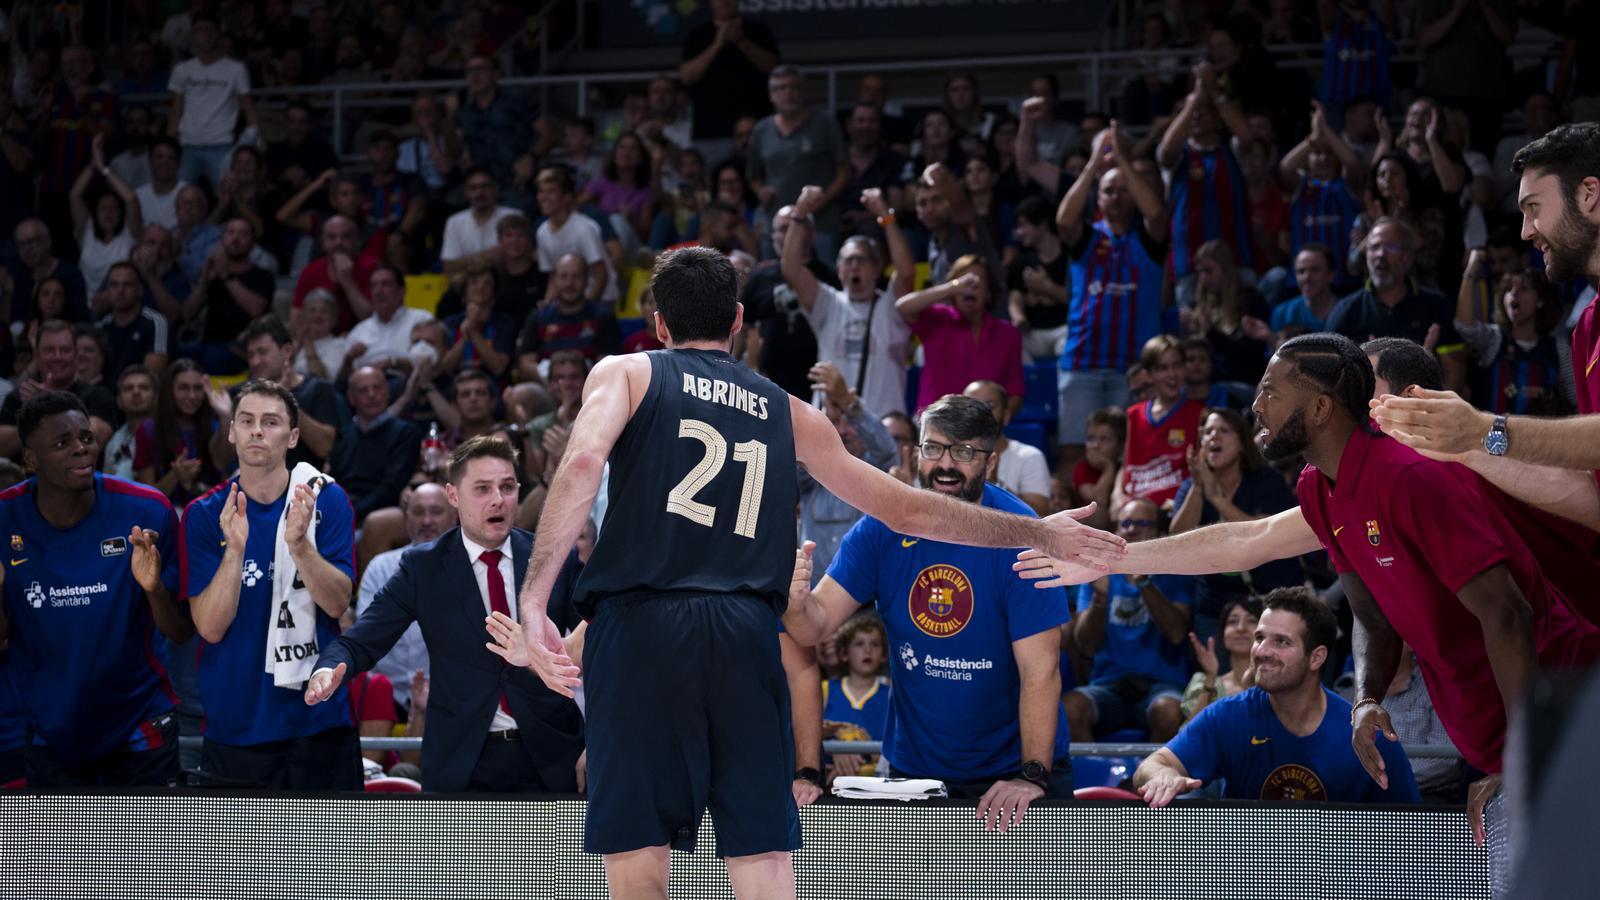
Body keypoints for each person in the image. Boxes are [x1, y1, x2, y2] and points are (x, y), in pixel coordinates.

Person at [486, 248, 1121, 898]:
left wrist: (536, 597)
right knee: (763, 865)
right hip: (743, 631)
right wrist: (1039, 529)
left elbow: (585, 460)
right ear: (737, 322)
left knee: (639, 859)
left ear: (658, 323)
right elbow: (905, 507)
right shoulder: (788, 408)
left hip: (640, 625)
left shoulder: (625, 371)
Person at [1018, 333, 1600, 842]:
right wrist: (1109, 558)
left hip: (1566, 720)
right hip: (1513, 740)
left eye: (1273, 391)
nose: (1256, 405)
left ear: (1328, 407)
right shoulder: (1325, 487)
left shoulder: (1418, 472)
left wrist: (1525, 760)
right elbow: (1279, 559)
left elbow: (1507, 616)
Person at [786, 394, 1076, 824]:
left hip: (1012, 772)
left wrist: (1032, 775)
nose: (946, 465)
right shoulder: (881, 528)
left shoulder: (1022, 533)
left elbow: (1042, 670)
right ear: (915, 452)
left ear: (990, 464)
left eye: (964, 452)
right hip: (915, 772)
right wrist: (795, 602)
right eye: (934, 448)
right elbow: (814, 627)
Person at [308, 436, 587, 792]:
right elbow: (362, 640)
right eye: (482, 489)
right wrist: (330, 666)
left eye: (507, 486)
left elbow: (601, 640)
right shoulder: (422, 567)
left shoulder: (553, 557)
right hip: (462, 763)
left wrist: (598, 742)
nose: (498, 499)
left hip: (555, 756)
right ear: (453, 495)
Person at [1371, 124, 1600, 530]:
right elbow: (1593, 494)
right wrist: (1461, 444)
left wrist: (1484, 429)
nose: (1526, 231)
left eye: (1533, 208)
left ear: (1588, 195)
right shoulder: (1586, 328)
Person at [0, 392, 189, 786]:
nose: (80, 449)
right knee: (57, 850)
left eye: (85, 437)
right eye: (61, 443)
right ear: (31, 459)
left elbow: (180, 630)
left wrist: (153, 588)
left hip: (139, 721)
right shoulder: (5, 519)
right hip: (50, 726)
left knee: (149, 850)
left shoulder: (146, 510)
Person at [181, 380, 360, 788]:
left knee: (335, 853)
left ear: (293, 436)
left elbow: (336, 604)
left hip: (319, 721)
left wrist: (298, 543)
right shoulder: (206, 514)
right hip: (236, 724)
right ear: (231, 432)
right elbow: (209, 627)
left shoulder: (324, 500)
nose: (257, 430)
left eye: (271, 421)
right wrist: (235, 551)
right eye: (246, 421)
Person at [1135, 588, 1420, 805]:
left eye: (1281, 642)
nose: (1261, 651)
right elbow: (1152, 765)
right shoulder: (1229, 715)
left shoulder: (1365, 735)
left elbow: (1411, 830)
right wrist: (1163, 775)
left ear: (1316, 657)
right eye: (1260, 638)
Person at [1054, 122, 1170, 468]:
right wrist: (1093, 166)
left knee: (1129, 453)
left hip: (1132, 367)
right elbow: (1063, 220)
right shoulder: (1088, 238)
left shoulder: (1148, 238)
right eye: (1109, 191)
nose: (1117, 196)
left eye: (1124, 190)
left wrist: (1120, 159)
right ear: (1099, 198)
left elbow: (1157, 212)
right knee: (1076, 452)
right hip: (1082, 363)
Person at [1170, 407, 1303, 645]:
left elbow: (1264, 531)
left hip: (1272, 598)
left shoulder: (1266, 480)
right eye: (1208, 432)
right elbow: (1177, 537)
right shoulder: (1192, 486)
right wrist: (1199, 489)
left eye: (1223, 430)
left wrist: (1218, 500)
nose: (1214, 437)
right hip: (1215, 606)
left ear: (1242, 443)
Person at [1066, 497, 1191, 743]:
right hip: (1109, 685)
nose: (1131, 529)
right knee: (1069, 709)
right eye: (1125, 524)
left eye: (1142, 523)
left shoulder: (1178, 571)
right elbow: (1085, 646)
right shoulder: (1097, 574)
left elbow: (1176, 633)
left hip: (1163, 684)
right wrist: (1100, 600)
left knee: (1168, 712)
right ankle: (1094, 781)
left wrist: (1144, 582)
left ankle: (1153, 779)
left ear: (1159, 532)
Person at [782, 187, 913, 417]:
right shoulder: (828, 303)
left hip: (883, 426)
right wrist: (800, 212)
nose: (853, 266)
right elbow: (791, 269)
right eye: (847, 261)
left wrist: (886, 216)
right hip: (833, 428)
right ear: (839, 270)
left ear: (877, 269)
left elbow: (906, 273)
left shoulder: (892, 306)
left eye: (860, 260)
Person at [1326, 218, 1466, 392]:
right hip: (1366, 412)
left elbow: (1455, 370)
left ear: (1408, 258)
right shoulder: (1346, 309)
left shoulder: (1436, 304)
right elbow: (1331, 376)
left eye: (1390, 247)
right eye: (1374, 247)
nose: (1380, 255)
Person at [351, 483, 457, 711]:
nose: (426, 521)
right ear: (407, 519)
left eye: (436, 512)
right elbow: (368, 633)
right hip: (384, 692)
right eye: (418, 512)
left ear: (453, 517)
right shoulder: (381, 567)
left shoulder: (469, 567)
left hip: (446, 692)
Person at [799, 362, 896, 580]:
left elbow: (886, 450)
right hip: (813, 597)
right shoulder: (809, 474)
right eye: (834, 421)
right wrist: (817, 422)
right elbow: (792, 462)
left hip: (866, 601)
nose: (842, 431)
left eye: (848, 421)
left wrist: (849, 404)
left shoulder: (874, 468)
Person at [895, 256, 1024, 417]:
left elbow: (1014, 388)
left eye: (979, 280)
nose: (969, 286)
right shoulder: (937, 319)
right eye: (964, 280)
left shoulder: (1008, 334)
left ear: (989, 293)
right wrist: (953, 287)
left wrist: (999, 423)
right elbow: (903, 307)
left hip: (983, 427)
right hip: (935, 423)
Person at [1454, 257, 1571, 417]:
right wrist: (1471, 269)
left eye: (1523, 288)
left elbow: (1576, 400)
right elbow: (1464, 327)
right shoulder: (1495, 339)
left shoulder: (1559, 347)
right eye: (1508, 289)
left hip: (1543, 440)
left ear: (1541, 300)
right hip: (1494, 439)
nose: (1514, 293)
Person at [166, 13, 259, 192]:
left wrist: (256, 136)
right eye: (200, 30)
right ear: (193, 34)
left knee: (229, 197)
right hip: (187, 145)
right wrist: (171, 141)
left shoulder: (235, 69)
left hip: (222, 145)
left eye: (210, 29)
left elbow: (248, 107)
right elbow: (177, 108)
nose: (206, 35)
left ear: (219, 33)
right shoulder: (182, 69)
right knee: (178, 198)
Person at [0, 320, 118, 459]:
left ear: (75, 355)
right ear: (37, 356)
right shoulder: (20, 397)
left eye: (65, 350)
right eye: (49, 350)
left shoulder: (98, 395)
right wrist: (35, 415)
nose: (57, 357)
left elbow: (94, 438)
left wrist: (50, 408)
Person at [678, 0, 780, 157]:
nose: (725, 2)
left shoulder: (758, 30)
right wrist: (717, 44)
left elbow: (773, 68)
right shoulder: (697, 35)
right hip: (711, 133)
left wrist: (741, 41)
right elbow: (686, 77)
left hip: (757, 129)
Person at [1118, 335, 1204, 509]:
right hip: (1135, 508)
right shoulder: (1134, 414)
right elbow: (1126, 467)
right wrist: (1117, 496)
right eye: (1163, 368)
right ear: (1148, 374)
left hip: (1174, 509)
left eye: (1177, 365)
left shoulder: (1200, 413)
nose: (1172, 374)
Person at [329, 367, 423, 523]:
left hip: (381, 514)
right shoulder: (342, 435)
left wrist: (349, 513)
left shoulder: (406, 433)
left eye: (377, 388)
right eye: (363, 390)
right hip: (342, 511)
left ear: (387, 391)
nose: (371, 395)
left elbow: (391, 488)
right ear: (351, 398)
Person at [178, 218, 272, 375]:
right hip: (207, 342)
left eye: (243, 234)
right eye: (231, 233)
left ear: (253, 243)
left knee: (214, 358)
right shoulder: (213, 275)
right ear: (222, 239)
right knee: (179, 355)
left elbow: (256, 309)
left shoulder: (262, 275)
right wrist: (204, 281)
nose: (236, 238)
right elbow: (187, 313)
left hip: (242, 347)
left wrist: (226, 275)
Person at [819, 613, 891, 782]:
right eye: (859, 644)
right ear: (844, 653)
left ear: (884, 655)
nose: (868, 650)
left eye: (875, 644)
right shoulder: (825, 690)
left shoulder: (891, 695)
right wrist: (836, 749)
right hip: (829, 787)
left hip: (875, 788)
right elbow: (804, 736)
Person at [963, 380, 1050, 516]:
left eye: (990, 405)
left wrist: (994, 484)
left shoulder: (1030, 456)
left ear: (1007, 414)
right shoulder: (944, 455)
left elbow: (1041, 515)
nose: (981, 413)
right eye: (971, 406)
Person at [291, 216, 377, 335]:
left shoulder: (372, 268)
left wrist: (347, 281)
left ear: (356, 239)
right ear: (323, 242)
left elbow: (373, 320)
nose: (338, 242)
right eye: (332, 237)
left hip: (363, 342)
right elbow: (296, 318)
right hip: (320, 341)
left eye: (345, 236)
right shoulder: (310, 271)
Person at [1180, 597, 1260, 719]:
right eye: (1233, 621)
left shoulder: (1276, 684)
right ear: (1222, 635)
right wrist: (1210, 677)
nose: (1241, 628)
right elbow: (1190, 734)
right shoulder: (1204, 683)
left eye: (1251, 621)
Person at [441, 166, 517, 276]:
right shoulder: (454, 222)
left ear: (495, 188)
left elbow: (521, 260)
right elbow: (448, 267)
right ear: (466, 192)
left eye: (485, 186)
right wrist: (486, 256)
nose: (479, 192)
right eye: (473, 188)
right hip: (468, 287)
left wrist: (467, 262)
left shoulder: (513, 216)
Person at [104, 365, 158, 480]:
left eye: (144, 387)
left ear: (156, 397)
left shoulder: (169, 435)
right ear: (119, 401)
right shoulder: (114, 441)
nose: (136, 392)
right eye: (128, 388)